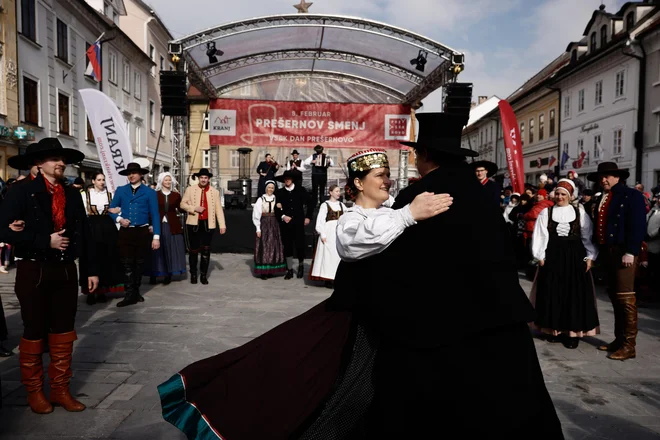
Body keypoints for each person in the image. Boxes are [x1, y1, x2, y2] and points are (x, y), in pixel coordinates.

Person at [157, 149, 452, 439]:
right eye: (380, 175)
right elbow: (356, 243)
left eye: (388, 175)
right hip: (351, 324)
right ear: (359, 183)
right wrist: (408, 214)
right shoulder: (353, 219)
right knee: (314, 384)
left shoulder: (391, 213)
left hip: (381, 324)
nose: (387, 181)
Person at [337, 112, 562, 438]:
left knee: (436, 412)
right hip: (499, 322)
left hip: (438, 332)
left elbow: (395, 264)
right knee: (508, 410)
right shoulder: (481, 193)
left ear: (425, 154)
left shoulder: (420, 195)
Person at [0, 138, 99, 414]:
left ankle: (60, 390)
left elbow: (86, 233)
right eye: (54, 158)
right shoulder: (21, 191)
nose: (61, 163)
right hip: (33, 269)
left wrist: (91, 270)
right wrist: (45, 240)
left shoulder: (70, 193)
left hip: (66, 269)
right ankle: (35, 392)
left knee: (64, 332)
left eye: (62, 158)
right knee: (33, 331)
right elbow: (3, 231)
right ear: (38, 164)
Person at [531, 178, 599, 349]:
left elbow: (587, 237)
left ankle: (572, 333)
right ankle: (554, 330)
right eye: (558, 193)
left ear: (570, 196)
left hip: (575, 257)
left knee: (573, 294)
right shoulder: (546, 213)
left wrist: (590, 256)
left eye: (563, 194)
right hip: (553, 256)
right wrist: (539, 254)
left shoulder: (580, 213)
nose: (560, 197)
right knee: (553, 292)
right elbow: (540, 235)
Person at [588, 162, 646, 361]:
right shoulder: (603, 197)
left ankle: (630, 345)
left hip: (624, 252)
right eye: (601, 177)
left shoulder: (632, 196)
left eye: (608, 176)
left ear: (618, 177)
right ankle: (619, 339)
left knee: (626, 297)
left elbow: (638, 225)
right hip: (608, 252)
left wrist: (631, 251)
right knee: (614, 296)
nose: (603, 180)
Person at [108, 162, 161, 307]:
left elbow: (155, 214)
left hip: (142, 231)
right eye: (129, 173)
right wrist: (119, 219)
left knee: (139, 263)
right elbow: (111, 209)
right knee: (127, 263)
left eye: (134, 173)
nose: (131, 175)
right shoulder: (121, 190)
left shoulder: (149, 192)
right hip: (126, 231)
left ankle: (136, 292)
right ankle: (129, 294)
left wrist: (156, 237)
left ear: (141, 175)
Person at [81, 172, 125, 305]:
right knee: (90, 258)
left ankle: (103, 291)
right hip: (91, 228)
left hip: (107, 229)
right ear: (93, 181)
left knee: (106, 258)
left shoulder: (110, 194)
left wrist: (117, 212)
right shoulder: (85, 195)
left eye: (103, 180)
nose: (102, 182)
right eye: (99, 180)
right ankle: (90, 291)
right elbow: (82, 213)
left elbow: (118, 210)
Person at [180, 168, 227, 284]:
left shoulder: (214, 192)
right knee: (193, 250)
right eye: (201, 177)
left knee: (206, 250)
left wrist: (222, 224)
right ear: (198, 178)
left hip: (208, 223)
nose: (203, 180)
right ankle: (194, 274)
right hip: (193, 223)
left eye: (205, 178)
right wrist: (194, 208)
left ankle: (203, 275)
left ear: (208, 179)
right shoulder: (190, 190)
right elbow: (182, 204)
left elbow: (218, 210)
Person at [147, 172, 186, 285]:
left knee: (170, 249)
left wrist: (191, 207)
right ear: (161, 181)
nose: (168, 182)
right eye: (166, 180)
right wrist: (150, 224)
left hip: (171, 226)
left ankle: (168, 274)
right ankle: (154, 274)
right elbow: (150, 211)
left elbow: (181, 208)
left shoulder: (176, 195)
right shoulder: (155, 194)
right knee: (155, 251)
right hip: (157, 224)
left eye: (169, 180)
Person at [274, 169, 314, 279]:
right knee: (287, 246)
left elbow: (310, 203)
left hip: (298, 223)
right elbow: (275, 208)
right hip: (285, 224)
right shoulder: (279, 193)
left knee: (300, 245)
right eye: (285, 179)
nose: (287, 180)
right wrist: (283, 216)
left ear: (292, 179)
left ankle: (301, 266)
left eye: (289, 178)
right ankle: (290, 269)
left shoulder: (301, 190)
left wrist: (308, 217)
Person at [309, 185, 346, 288]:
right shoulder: (325, 205)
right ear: (330, 192)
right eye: (336, 191)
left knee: (337, 255)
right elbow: (320, 220)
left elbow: (348, 216)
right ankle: (328, 278)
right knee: (328, 255)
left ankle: (336, 277)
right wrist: (322, 233)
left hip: (338, 231)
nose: (338, 193)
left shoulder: (342, 205)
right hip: (329, 231)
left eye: (339, 191)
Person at [252, 180, 287, 279]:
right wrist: (258, 228)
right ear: (266, 188)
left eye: (272, 188)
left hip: (274, 223)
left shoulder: (276, 198)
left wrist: (280, 208)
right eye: (269, 187)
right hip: (264, 223)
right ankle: (264, 271)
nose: (270, 189)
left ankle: (271, 269)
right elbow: (256, 214)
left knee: (274, 245)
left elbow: (281, 211)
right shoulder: (261, 199)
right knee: (264, 245)